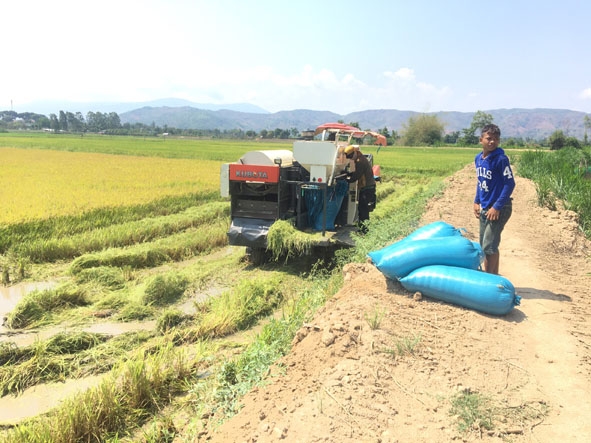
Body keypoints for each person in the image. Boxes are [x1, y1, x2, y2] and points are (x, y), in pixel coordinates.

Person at [473, 124, 515, 274]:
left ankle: (491, 279)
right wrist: (476, 201)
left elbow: (510, 183)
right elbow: (480, 181)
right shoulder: (478, 158)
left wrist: (496, 206)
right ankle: (491, 277)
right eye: (489, 138)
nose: (492, 142)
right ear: (481, 140)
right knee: (484, 245)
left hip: (499, 208)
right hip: (485, 206)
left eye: (495, 139)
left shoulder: (501, 159)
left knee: (489, 246)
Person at [344, 145, 376, 233]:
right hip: (366, 187)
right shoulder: (360, 158)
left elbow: (356, 176)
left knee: (363, 209)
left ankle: (364, 230)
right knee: (362, 208)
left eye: (350, 156)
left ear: (355, 153)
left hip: (367, 188)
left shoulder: (360, 161)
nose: (350, 159)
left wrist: (346, 180)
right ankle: (363, 228)